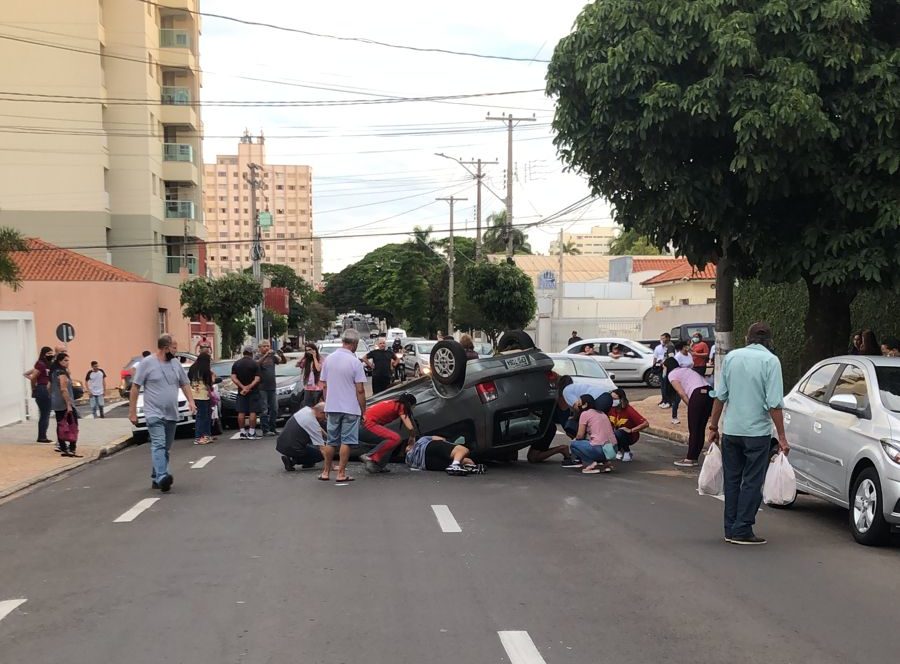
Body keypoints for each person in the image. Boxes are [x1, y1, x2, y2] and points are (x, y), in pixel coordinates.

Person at [707, 322, 789, 546]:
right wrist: (781, 436)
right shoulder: (771, 361)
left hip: (731, 430)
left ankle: (730, 527)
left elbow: (720, 395)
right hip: (757, 433)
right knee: (752, 481)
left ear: (747, 338)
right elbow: (774, 404)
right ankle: (742, 529)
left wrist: (714, 427)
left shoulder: (732, 358)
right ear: (770, 341)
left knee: (732, 480)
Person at [129, 335, 196, 492]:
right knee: (158, 443)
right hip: (153, 412)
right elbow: (135, 387)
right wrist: (132, 412)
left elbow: (185, 383)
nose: (176, 351)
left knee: (165, 447)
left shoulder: (175, 363)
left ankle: (155, 476)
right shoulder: (147, 363)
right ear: (165, 348)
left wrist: (191, 401)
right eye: (174, 347)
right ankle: (162, 477)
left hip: (171, 413)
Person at [320, 328, 367, 483]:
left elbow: (324, 385)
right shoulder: (355, 362)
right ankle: (341, 473)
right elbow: (360, 390)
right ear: (354, 343)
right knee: (346, 441)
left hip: (332, 406)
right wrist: (363, 410)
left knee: (331, 441)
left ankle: (326, 472)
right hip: (350, 408)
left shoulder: (329, 359)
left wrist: (327, 404)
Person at [359, 393, 417, 473]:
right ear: (409, 404)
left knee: (390, 443)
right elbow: (410, 427)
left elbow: (411, 423)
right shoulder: (402, 406)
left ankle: (377, 465)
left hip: (363, 424)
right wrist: (412, 438)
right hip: (367, 425)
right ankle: (370, 456)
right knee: (395, 438)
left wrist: (412, 435)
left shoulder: (394, 403)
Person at [668, 367, 713, 467]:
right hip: (709, 392)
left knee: (694, 428)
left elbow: (681, 393)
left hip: (697, 394)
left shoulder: (672, 375)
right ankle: (695, 457)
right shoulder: (686, 370)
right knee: (700, 428)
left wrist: (691, 405)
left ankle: (690, 458)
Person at [569, 393, 617, 474]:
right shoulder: (602, 413)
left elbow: (580, 436)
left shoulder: (585, 414)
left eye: (579, 402)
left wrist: (575, 439)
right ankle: (606, 463)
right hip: (614, 449)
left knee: (574, 445)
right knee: (594, 441)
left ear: (585, 404)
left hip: (600, 450)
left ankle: (590, 463)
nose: (577, 404)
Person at [276, 403, 326, 471]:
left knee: (311, 444)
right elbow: (323, 449)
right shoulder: (312, 422)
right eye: (325, 415)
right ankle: (292, 460)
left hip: (281, 442)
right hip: (292, 447)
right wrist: (331, 466)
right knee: (321, 454)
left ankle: (308, 462)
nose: (325, 418)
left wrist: (327, 436)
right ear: (321, 413)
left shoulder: (305, 410)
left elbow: (318, 428)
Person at [405, 435, 484, 475]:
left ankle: (464, 465)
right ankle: (456, 464)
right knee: (463, 450)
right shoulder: (421, 441)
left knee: (463, 460)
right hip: (428, 447)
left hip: (426, 464)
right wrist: (452, 445)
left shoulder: (408, 461)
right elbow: (442, 439)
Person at [50, 352, 80, 457]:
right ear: (59, 361)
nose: (67, 363)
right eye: (65, 360)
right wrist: (68, 404)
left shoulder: (53, 372)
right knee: (73, 424)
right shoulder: (61, 373)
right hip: (64, 402)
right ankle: (72, 447)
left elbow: (49, 387)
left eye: (68, 360)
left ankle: (63, 447)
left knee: (60, 424)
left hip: (56, 402)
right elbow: (63, 389)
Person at [608, 388, 648, 462]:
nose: (612, 401)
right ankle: (618, 450)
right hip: (614, 435)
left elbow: (645, 423)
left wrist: (631, 430)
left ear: (621, 399)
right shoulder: (610, 409)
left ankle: (627, 451)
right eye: (611, 398)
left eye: (614, 399)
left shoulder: (628, 409)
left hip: (629, 435)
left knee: (619, 432)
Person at [24, 346, 54, 443]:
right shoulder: (40, 364)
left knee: (45, 413)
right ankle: (42, 437)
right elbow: (33, 377)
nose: (51, 355)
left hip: (46, 389)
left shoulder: (47, 364)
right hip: (42, 389)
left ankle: (42, 436)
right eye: (48, 354)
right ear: (43, 354)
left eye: (51, 353)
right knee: (45, 414)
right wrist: (34, 387)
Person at [231, 347, 262, 439]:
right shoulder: (255, 364)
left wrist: (242, 387)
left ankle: (242, 432)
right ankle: (252, 432)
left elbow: (233, 377)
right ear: (251, 353)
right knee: (253, 411)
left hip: (241, 392)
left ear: (243, 353)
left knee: (241, 411)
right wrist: (249, 387)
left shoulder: (236, 364)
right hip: (254, 391)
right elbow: (257, 379)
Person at [187, 353, 216, 445]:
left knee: (202, 416)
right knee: (204, 417)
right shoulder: (206, 370)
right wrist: (214, 377)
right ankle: (199, 437)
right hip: (203, 396)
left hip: (194, 395)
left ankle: (205, 436)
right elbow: (209, 383)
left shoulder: (192, 369)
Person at [256, 340, 283, 436]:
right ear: (260, 348)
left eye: (268, 346)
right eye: (264, 346)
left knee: (274, 408)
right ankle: (265, 430)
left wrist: (280, 354)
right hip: (262, 387)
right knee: (264, 409)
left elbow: (281, 361)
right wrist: (266, 355)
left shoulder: (272, 357)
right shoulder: (257, 356)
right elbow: (257, 364)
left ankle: (273, 428)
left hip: (272, 386)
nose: (266, 348)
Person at [653, 333, 674, 407]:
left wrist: (664, 362)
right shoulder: (659, 347)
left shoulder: (670, 346)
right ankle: (664, 400)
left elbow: (671, 357)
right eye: (661, 338)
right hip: (661, 367)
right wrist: (655, 365)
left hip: (667, 368)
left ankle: (668, 401)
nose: (662, 340)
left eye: (663, 338)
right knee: (663, 385)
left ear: (668, 338)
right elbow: (655, 357)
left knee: (666, 385)